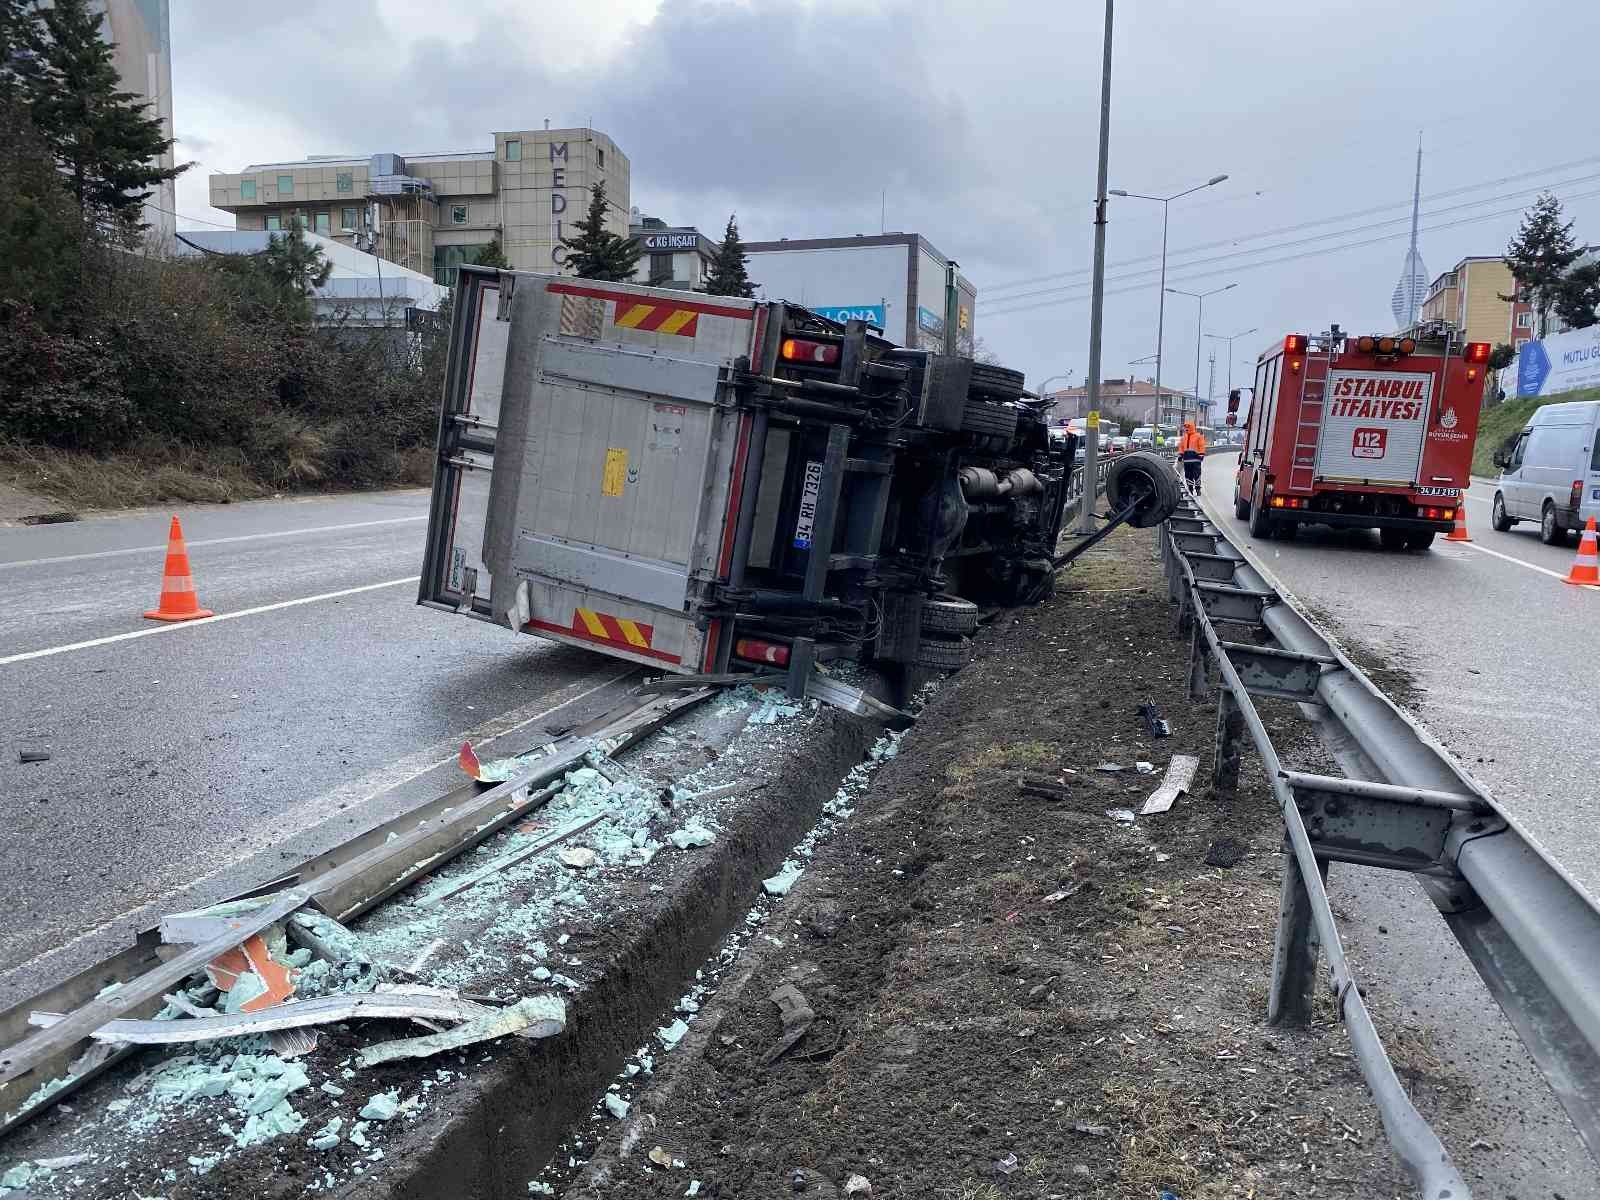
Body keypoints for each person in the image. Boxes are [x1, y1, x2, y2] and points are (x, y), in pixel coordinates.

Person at [1177, 420, 1206, 493]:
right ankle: (1190, 488)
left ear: (1192, 427)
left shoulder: (1198, 436)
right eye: (1185, 427)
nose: (1186, 428)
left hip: (1196, 459)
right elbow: (1181, 447)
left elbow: (1201, 445)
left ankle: (1198, 488)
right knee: (1188, 475)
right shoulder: (1184, 437)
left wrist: (1201, 454)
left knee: (1197, 474)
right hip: (1187, 460)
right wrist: (1180, 454)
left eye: (1188, 427)